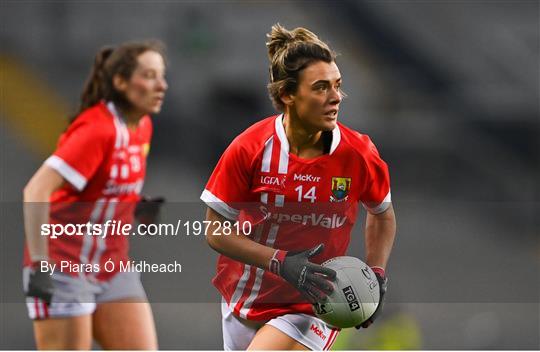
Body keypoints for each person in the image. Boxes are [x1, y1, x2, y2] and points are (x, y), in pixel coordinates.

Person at [200, 24, 396, 350]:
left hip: (316, 303)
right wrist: (281, 262)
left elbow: (382, 214)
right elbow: (215, 231)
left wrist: (375, 272)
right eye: (321, 87)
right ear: (287, 95)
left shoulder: (358, 153)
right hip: (246, 296)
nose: (335, 97)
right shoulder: (249, 148)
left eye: (338, 85)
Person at [22, 40, 167, 349]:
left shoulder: (142, 127)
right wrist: (39, 265)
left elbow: (103, 187)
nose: (161, 85)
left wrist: (135, 207)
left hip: (111, 266)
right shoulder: (97, 130)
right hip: (64, 265)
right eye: (150, 76)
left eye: (162, 76)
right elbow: (35, 190)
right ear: (120, 82)